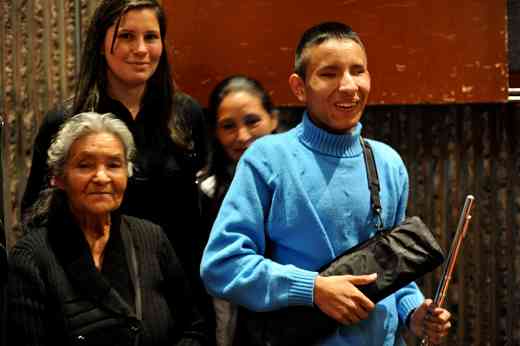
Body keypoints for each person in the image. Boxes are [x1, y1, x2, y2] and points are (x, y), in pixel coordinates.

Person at [201, 22, 451, 345]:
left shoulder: (388, 163)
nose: (348, 86)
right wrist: (314, 289)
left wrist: (414, 313)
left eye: (357, 71)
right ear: (299, 87)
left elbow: (393, 267)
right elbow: (222, 265)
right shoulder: (267, 159)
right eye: (329, 74)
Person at [21, 0, 206, 282]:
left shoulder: (187, 114)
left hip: (178, 283)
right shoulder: (65, 121)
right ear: (100, 43)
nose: (141, 49)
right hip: (92, 285)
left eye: (151, 37)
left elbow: (199, 214)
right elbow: (36, 215)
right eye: (126, 36)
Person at [8, 112, 206, 346]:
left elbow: (195, 328)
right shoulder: (31, 257)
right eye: (85, 165)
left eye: (114, 165)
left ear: (127, 173)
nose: (102, 177)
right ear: (59, 178)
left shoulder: (152, 238)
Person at [197, 75, 278, 346]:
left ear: (273, 119)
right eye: (228, 126)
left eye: (252, 121)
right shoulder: (206, 192)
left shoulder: (301, 181)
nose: (242, 136)